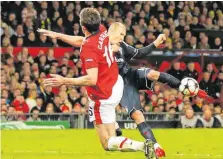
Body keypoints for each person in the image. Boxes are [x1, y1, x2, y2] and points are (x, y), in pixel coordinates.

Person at [39, 8, 157, 159]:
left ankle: (143, 146)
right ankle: (114, 127)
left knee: (107, 144)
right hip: (116, 83)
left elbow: (91, 79)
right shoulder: (101, 30)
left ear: (83, 27)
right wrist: (58, 35)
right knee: (113, 135)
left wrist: (64, 81)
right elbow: (82, 40)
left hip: (103, 96)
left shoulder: (89, 49)